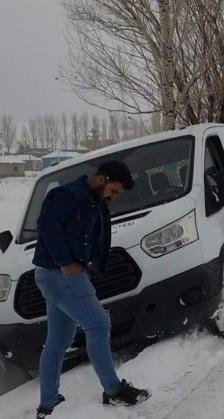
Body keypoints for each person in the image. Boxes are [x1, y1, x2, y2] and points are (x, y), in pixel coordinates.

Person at [32, 161, 150, 418]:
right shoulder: (67, 195)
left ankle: (47, 402)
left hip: (55, 276)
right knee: (98, 325)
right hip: (60, 275)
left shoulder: (94, 201)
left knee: (59, 338)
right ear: (101, 179)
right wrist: (66, 263)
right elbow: (47, 227)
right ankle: (113, 390)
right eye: (114, 191)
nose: (113, 197)